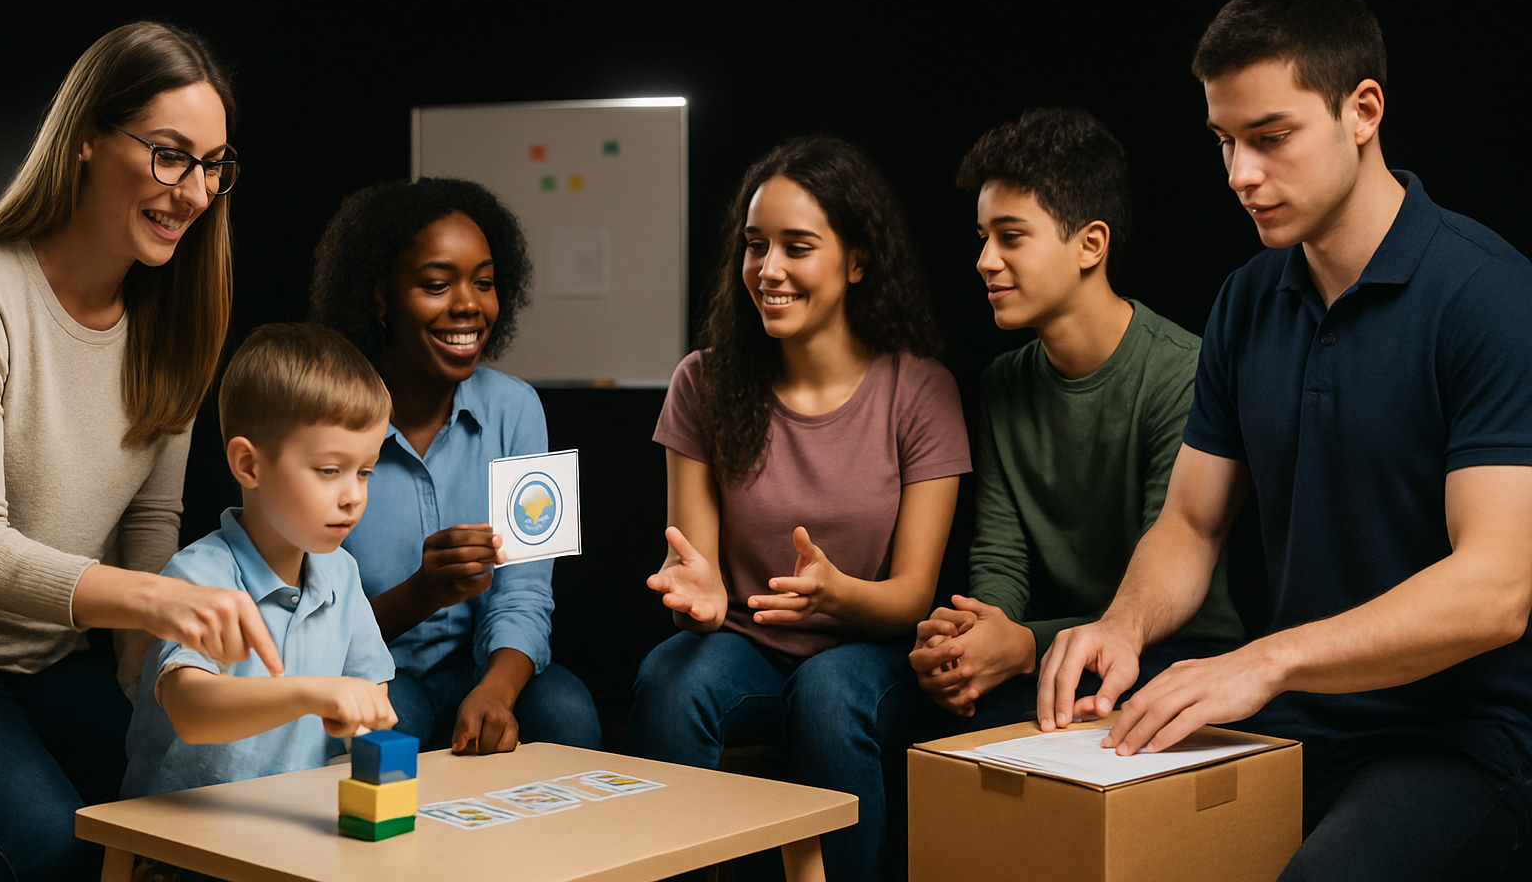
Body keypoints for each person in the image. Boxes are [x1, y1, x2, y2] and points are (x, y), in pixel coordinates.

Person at [1036, 0, 1532, 880]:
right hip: (1292, 726)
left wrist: (1266, 662)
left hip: (1457, 743)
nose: (1240, 176)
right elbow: (1190, 524)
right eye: (1224, 142)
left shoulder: (1490, 296)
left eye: (1270, 138)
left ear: (1363, 110)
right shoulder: (1246, 301)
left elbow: (1497, 589)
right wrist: (1123, 625)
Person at [627, 136, 971, 882]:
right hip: (745, 648)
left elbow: (912, 597)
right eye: (755, 246)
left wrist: (835, 592)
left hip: (868, 654)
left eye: (797, 247)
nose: (769, 269)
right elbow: (694, 565)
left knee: (825, 693)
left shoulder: (920, 390)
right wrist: (698, 598)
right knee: (669, 676)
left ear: (855, 261)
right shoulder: (704, 383)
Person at [0, 23, 282, 882]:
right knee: (51, 848)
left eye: (212, 164)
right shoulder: (2, 297)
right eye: (168, 154)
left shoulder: (172, 325)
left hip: (48, 663)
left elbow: (150, 521)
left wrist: (150, 682)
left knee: (201, 806)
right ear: (86, 137)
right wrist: (157, 603)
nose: (194, 192)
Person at [909, 109, 1242, 727]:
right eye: (983, 236)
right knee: (938, 705)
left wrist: (1023, 644)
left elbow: (1175, 570)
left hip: (1179, 652)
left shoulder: (1184, 370)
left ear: (1091, 244)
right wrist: (974, 639)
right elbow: (1000, 559)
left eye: (1011, 236)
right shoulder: (1002, 384)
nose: (984, 260)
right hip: (1053, 653)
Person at [310, 177, 599, 756]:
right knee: (387, 726)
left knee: (565, 711)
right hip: (375, 670)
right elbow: (310, 632)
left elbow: (524, 594)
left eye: (485, 283)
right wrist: (420, 592)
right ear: (380, 296)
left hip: (484, 666)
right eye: (437, 284)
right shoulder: (323, 419)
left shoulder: (516, 409)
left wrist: (494, 690)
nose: (469, 304)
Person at [123, 323, 398, 797]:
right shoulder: (197, 577)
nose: (354, 496)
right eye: (330, 471)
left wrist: (372, 735)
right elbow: (191, 710)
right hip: (182, 847)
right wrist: (312, 693)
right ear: (249, 465)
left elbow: (371, 700)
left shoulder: (343, 574)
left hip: (295, 827)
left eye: (365, 471)